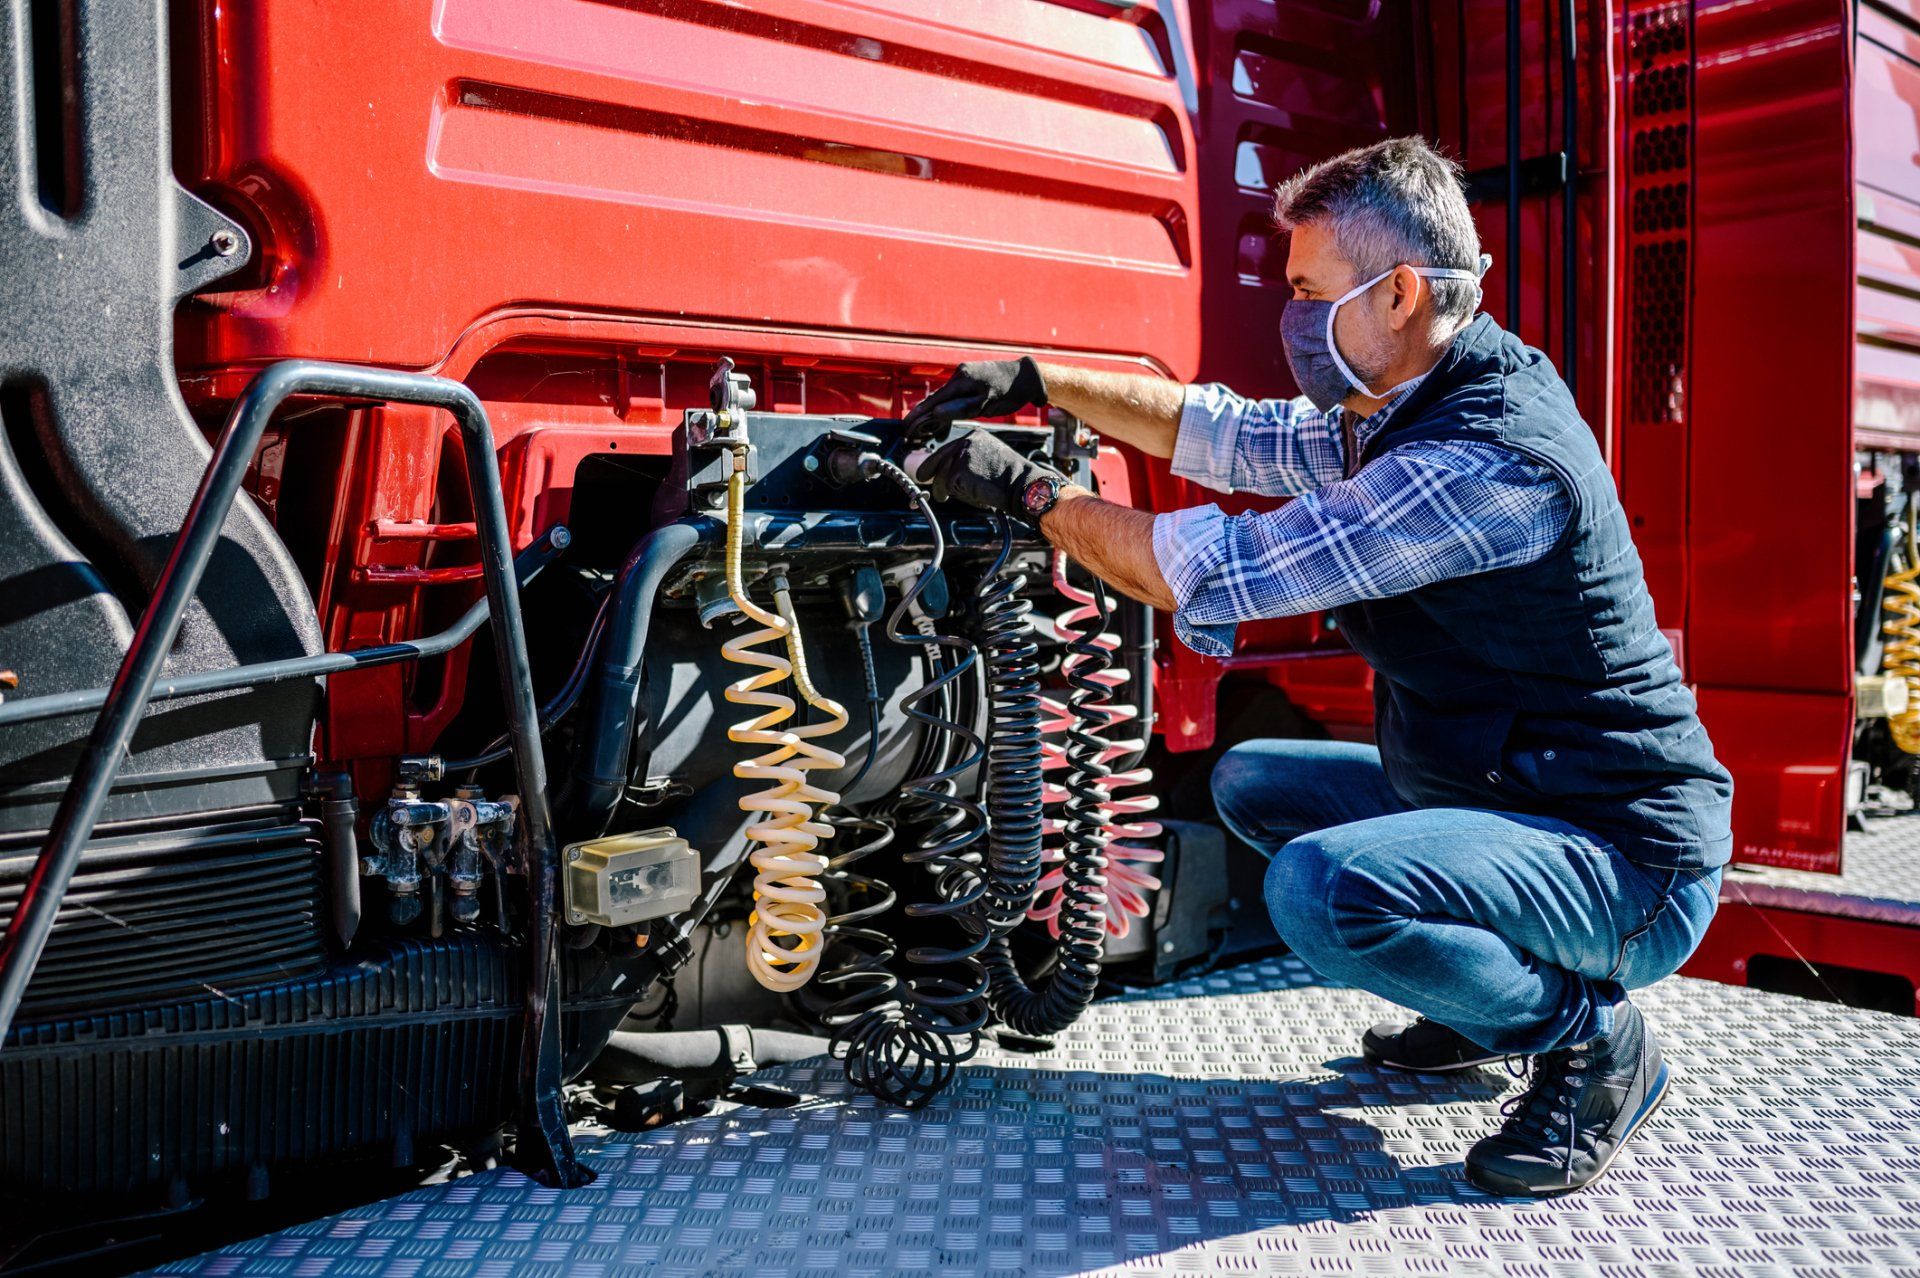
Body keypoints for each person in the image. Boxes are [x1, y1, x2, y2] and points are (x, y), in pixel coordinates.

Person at [905, 135, 1733, 1197]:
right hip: (1509, 789)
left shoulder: (1475, 463)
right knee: (1254, 781)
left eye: (1306, 290)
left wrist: (1027, 493)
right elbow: (1223, 434)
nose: (1289, 317)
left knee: (1322, 890)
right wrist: (1039, 380)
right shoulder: (1400, 405)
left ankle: (1592, 1042)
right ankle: (1480, 1006)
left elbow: (1205, 570)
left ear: (1396, 295)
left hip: (1623, 854)